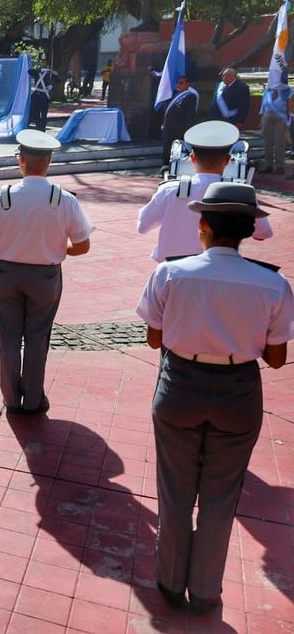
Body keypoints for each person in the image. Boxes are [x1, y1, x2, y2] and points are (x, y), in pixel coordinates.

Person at [137, 181, 293, 614]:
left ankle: (170, 583)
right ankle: (205, 591)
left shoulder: (170, 273)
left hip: (180, 386)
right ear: (248, 231)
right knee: (221, 497)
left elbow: (154, 338)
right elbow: (276, 358)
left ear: (202, 225)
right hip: (238, 391)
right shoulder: (272, 283)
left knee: (175, 491)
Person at [0, 130, 94, 414]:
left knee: (8, 337)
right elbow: (83, 245)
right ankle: (32, 398)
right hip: (45, 276)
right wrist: (57, 248)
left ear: (21, 161)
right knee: (38, 337)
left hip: (6, 275)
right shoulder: (63, 199)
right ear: (49, 161)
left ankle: (10, 398)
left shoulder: (3, 197)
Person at [138, 121, 273, 263]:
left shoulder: (169, 190)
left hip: (171, 269)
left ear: (192, 158)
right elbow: (263, 233)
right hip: (216, 269)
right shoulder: (239, 193)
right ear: (227, 160)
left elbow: (142, 227)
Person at [159, 75, 199, 160]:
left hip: (179, 132)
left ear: (188, 84)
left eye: (181, 83)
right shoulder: (175, 95)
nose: (178, 85)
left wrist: (187, 133)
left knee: (176, 155)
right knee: (167, 153)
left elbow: (190, 117)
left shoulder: (190, 96)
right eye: (177, 82)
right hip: (169, 131)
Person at [259, 82, 292, 176]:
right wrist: (261, 118)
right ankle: (268, 165)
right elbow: (263, 105)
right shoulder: (267, 90)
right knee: (267, 142)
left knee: (279, 142)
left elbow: (289, 106)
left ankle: (279, 166)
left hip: (281, 119)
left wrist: (289, 122)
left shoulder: (287, 90)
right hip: (267, 118)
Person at [28, 56, 54, 131]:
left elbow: (57, 80)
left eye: (44, 62)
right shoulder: (37, 71)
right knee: (35, 112)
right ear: (39, 62)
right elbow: (29, 71)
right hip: (36, 95)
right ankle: (38, 127)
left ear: (46, 63)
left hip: (44, 95)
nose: (42, 63)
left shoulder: (49, 72)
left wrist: (52, 85)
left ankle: (42, 128)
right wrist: (40, 70)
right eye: (41, 61)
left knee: (44, 113)